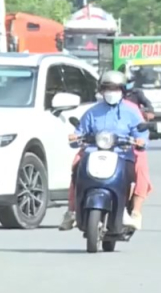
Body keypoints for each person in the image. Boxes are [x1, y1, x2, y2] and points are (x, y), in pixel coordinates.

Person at [59, 70, 152, 231]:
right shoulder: (92, 112)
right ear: (101, 90)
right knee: (77, 167)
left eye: (115, 88)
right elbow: (80, 132)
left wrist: (140, 140)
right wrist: (75, 137)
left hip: (122, 154)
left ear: (122, 90)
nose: (111, 92)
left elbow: (140, 132)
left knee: (139, 167)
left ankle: (135, 212)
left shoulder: (131, 111)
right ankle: (72, 211)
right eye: (108, 88)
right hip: (94, 153)